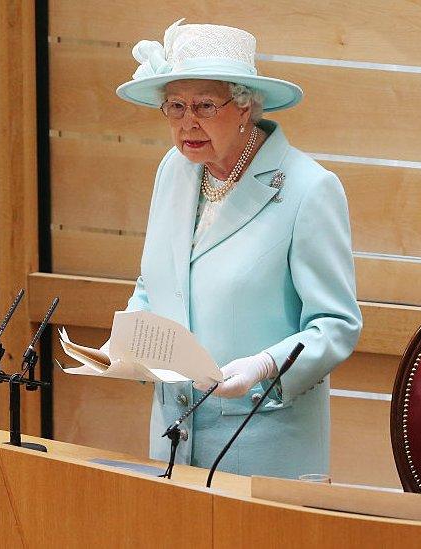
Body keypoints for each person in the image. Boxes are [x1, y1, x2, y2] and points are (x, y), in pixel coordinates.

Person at [113, 19, 362, 478]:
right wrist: (128, 340)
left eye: (205, 105)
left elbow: (337, 326)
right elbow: (155, 281)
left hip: (261, 444)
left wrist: (265, 366)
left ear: (245, 105)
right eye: (175, 105)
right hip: (173, 436)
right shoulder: (174, 169)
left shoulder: (310, 189)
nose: (187, 121)